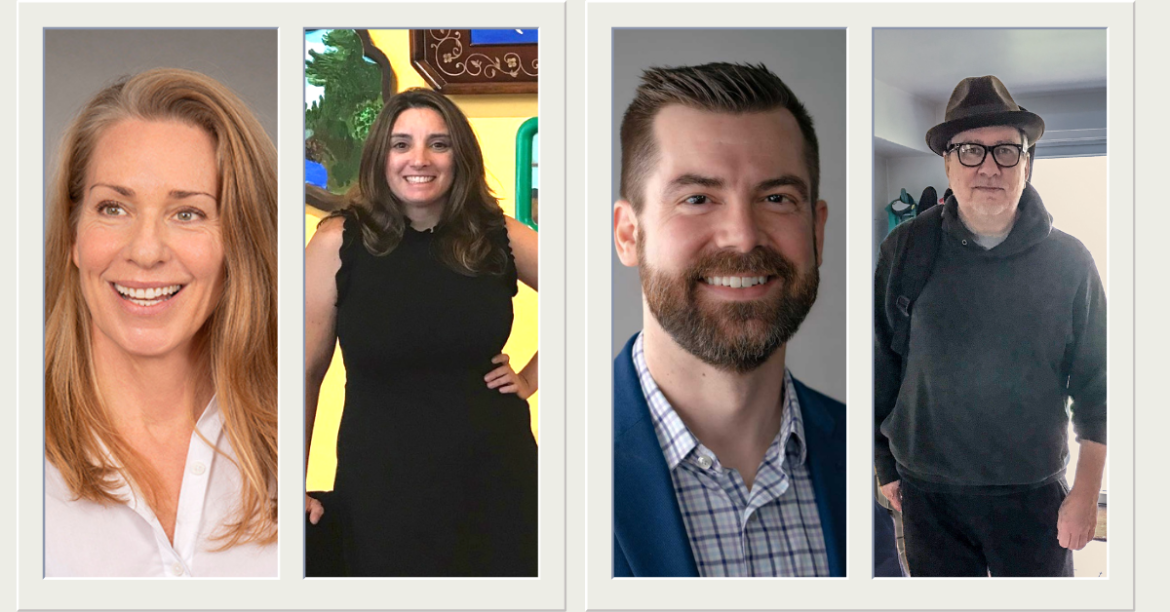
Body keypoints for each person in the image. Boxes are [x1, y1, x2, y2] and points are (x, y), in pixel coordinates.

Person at [611, 62, 851, 577]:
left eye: (776, 199)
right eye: (697, 199)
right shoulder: (544, 467)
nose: (743, 236)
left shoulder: (864, 456)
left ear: (818, 231)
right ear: (629, 234)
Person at [43, 68, 278, 577]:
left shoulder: (291, 452)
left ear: (240, 240)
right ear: (72, 236)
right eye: (113, 207)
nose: (146, 252)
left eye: (188, 213)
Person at [873, 75, 1107, 577]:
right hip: (929, 497)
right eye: (970, 151)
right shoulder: (906, 250)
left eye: (1006, 151)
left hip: (1031, 495)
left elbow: (1098, 387)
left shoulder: (1070, 262)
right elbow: (881, 362)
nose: (988, 168)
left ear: (1027, 162)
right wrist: (885, 465)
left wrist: (1087, 492)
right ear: (948, 163)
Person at [304, 88, 539, 577]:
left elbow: (592, 289)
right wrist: (284, 478)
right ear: (380, 158)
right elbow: (304, 373)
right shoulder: (335, 242)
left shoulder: (498, 234)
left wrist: (532, 377)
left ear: (460, 156)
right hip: (381, 483)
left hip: (496, 476)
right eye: (401, 144)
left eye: (439, 143)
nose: (420, 159)